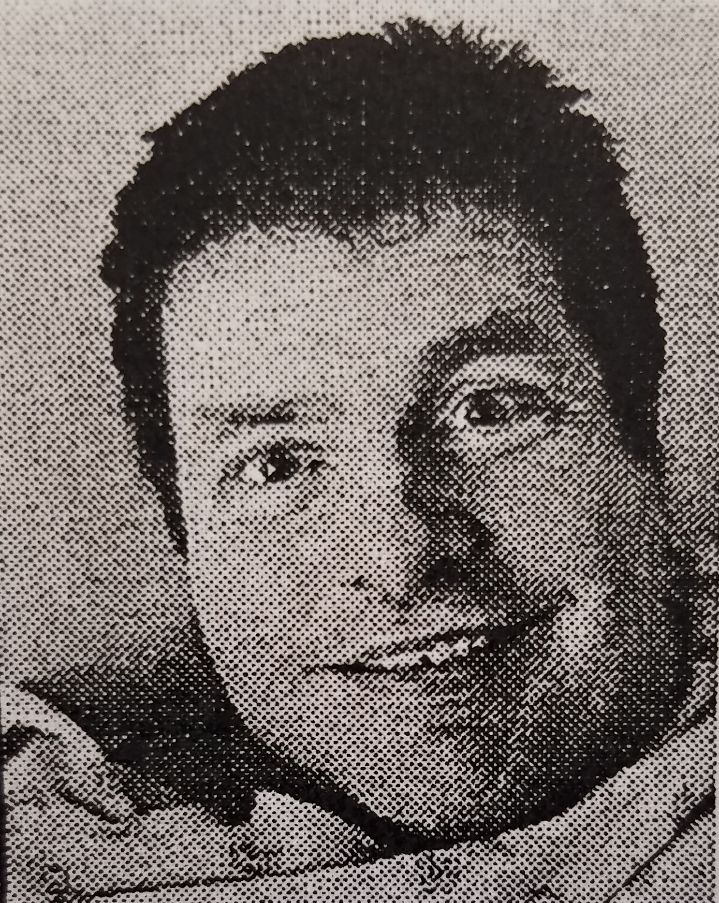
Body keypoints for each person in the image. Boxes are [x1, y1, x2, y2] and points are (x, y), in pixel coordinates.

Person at [4, 20, 715, 901]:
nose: (397, 554)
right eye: (277, 463)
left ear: (642, 440)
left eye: (487, 410)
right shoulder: (59, 837)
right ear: (185, 536)